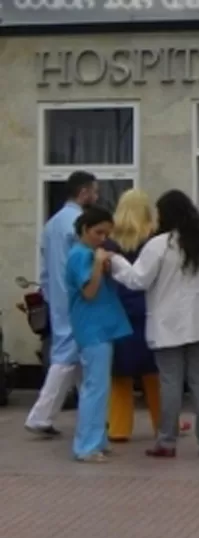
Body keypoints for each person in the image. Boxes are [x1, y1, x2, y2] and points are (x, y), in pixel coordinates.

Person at [108, 190, 199, 458]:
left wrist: (116, 262)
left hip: (169, 322)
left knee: (170, 382)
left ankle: (167, 441)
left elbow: (138, 280)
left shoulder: (160, 245)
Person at [25, 171, 98, 437]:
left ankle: (93, 415)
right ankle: (40, 415)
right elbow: (84, 262)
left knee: (77, 358)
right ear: (83, 192)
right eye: (94, 191)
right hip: (75, 296)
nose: (97, 196)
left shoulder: (52, 224)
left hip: (56, 296)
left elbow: (45, 267)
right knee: (67, 357)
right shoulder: (79, 224)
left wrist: (46, 291)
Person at [65, 205, 132, 462]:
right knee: (95, 387)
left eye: (106, 234)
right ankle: (86, 445)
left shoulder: (87, 253)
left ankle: (97, 440)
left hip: (100, 327)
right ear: (84, 230)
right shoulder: (81, 256)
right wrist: (97, 265)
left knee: (100, 386)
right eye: (98, 233)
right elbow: (89, 292)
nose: (102, 239)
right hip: (92, 328)